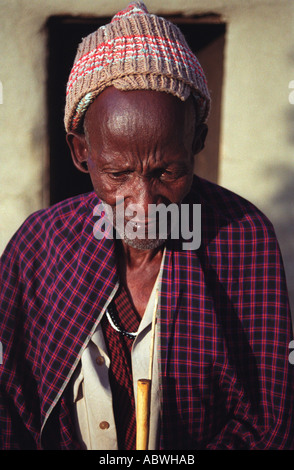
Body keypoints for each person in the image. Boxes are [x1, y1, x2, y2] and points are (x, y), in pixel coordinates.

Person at [0, 1, 293, 450]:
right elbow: (9, 405)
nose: (142, 204)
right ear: (82, 153)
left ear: (197, 141)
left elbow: (268, 418)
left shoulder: (244, 238)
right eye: (118, 175)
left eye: (167, 173)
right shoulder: (38, 246)